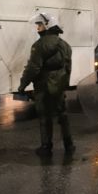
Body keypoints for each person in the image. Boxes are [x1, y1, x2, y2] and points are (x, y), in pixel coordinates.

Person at [18, 12, 74, 157]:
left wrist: (23, 85)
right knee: (62, 114)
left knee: (44, 116)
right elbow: (68, 68)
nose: (37, 28)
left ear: (48, 25)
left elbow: (33, 68)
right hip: (58, 85)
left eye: (40, 25)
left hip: (43, 86)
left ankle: (46, 146)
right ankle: (69, 144)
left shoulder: (39, 45)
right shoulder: (65, 45)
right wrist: (63, 83)